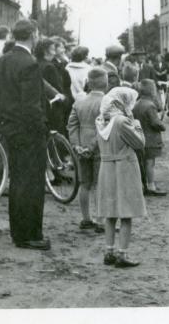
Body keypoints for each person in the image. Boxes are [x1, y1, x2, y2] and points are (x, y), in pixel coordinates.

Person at [0, 19, 51, 250]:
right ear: (33, 35)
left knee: (17, 182)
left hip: (9, 129)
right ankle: (30, 235)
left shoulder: (0, 63)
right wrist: (42, 128)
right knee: (33, 183)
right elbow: (31, 106)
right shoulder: (29, 64)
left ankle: (19, 233)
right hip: (29, 132)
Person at [95, 87, 147, 268]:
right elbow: (139, 143)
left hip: (106, 168)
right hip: (124, 168)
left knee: (110, 212)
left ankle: (108, 250)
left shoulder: (101, 121)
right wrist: (137, 124)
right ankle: (122, 253)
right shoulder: (121, 121)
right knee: (127, 213)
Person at [67, 67, 108, 233]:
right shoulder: (107, 102)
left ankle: (86, 218)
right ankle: (100, 220)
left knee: (85, 183)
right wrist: (92, 147)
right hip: (100, 147)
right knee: (101, 184)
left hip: (82, 145)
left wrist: (77, 145)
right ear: (105, 84)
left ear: (88, 84)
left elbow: (72, 125)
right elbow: (105, 127)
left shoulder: (79, 102)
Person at [133, 79, 168, 196]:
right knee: (150, 163)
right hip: (151, 139)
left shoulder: (137, 103)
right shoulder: (150, 106)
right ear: (151, 91)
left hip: (139, 138)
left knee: (142, 163)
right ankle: (151, 185)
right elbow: (155, 123)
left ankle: (143, 185)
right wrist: (162, 125)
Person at [34, 38, 69, 136]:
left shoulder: (35, 64)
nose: (54, 53)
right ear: (46, 51)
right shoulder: (50, 67)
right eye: (53, 50)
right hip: (53, 108)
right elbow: (58, 88)